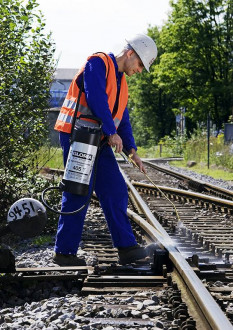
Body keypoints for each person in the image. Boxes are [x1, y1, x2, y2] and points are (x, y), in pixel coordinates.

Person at [53, 34, 158, 266]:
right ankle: (64, 253)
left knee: (116, 189)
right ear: (130, 54)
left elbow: (123, 119)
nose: (140, 70)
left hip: (97, 140)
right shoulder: (97, 63)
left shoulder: (122, 84)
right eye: (140, 64)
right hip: (77, 135)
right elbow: (96, 98)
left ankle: (126, 248)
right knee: (78, 191)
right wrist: (111, 132)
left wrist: (132, 150)